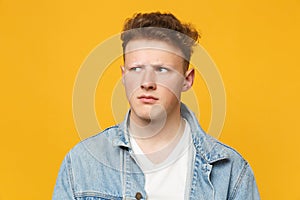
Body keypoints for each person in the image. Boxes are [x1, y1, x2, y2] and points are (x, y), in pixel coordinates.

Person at [53, 12, 260, 200]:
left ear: (187, 80)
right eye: (136, 69)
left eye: (161, 69)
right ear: (124, 76)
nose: (146, 82)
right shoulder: (80, 164)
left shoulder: (231, 171)